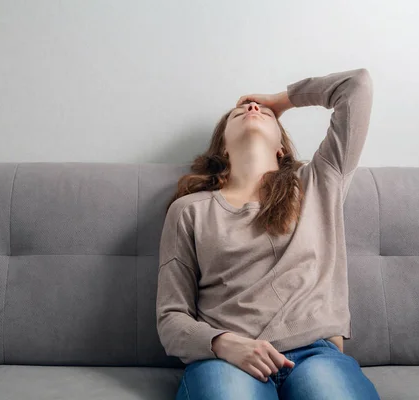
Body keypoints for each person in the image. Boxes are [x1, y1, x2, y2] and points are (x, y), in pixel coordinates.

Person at [156, 68, 381, 399]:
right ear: (223, 150)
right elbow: (171, 317)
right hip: (229, 358)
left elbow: (356, 87)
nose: (251, 109)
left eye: (261, 112)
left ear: (281, 148)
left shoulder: (319, 182)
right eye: (238, 112)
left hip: (315, 353)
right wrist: (222, 343)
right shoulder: (189, 210)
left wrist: (281, 101)